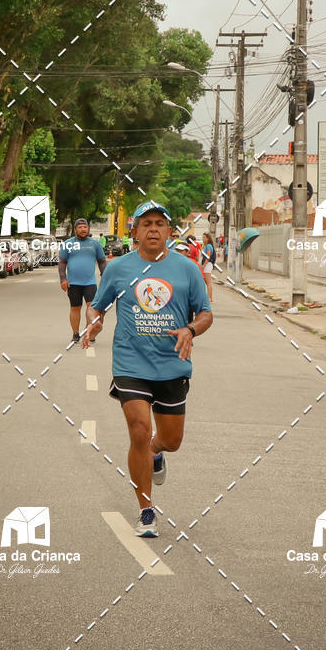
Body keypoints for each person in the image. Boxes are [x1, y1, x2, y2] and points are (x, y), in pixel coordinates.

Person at [82, 201, 213, 538]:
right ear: (135, 231)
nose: (153, 229)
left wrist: (190, 330)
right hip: (131, 362)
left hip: (172, 365)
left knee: (171, 440)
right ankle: (146, 510)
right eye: (146, 223)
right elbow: (97, 307)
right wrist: (94, 323)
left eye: (159, 223)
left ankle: (156, 452)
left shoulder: (187, 269)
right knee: (139, 430)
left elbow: (205, 313)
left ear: (169, 231)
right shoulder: (118, 268)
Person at [59, 218, 107, 343]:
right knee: (75, 308)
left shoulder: (95, 244)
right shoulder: (68, 243)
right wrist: (63, 279)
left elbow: (102, 261)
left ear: (88, 229)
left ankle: (88, 332)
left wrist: (105, 275)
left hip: (90, 282)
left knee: (92, 308)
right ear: (75, 229)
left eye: (85, 227)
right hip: (73, 283)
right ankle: (75, 333)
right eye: (80, 227)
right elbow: (62, 262)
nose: (83, 229)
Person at [201, 232, 216, 303]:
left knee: (208, 282)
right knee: (207, 282)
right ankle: (208, 298)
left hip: (207, 265)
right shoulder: (206, 246)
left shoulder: (209, 246)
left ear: (208, 238)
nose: (203, 239)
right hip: (207, 264)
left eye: (204, 237)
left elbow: (208, 256)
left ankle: (210, 298)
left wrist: (203, 265)